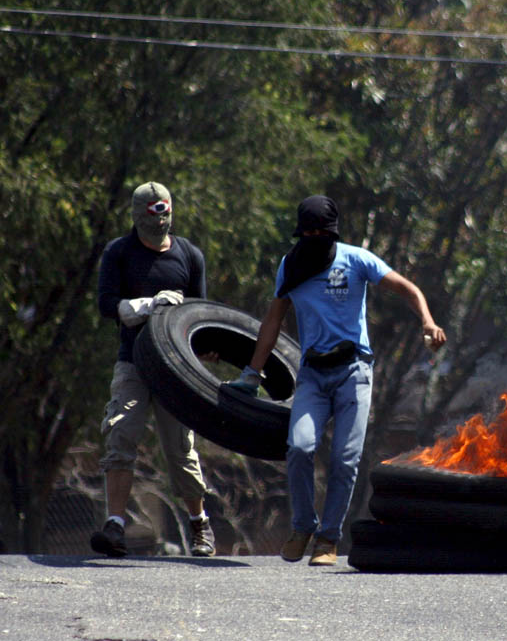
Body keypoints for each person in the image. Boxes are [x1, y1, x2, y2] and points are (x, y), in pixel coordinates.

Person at [228, 194, 446, 566]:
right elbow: (272, 322)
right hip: (312, 373)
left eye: (319, 231)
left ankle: (328, 538)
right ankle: (303, 527)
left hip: (353, 372)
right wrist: (252, 372)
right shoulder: (291, 266)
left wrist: (427, 320)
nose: (313, 237)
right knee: (299, 447)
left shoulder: (356, 258)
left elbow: (408, 288)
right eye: (306, 232)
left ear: (331, 232)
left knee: (346, 459)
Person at [90, 181, 216, 558]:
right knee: (121, 435)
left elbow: (201, 311)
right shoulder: (119, 253)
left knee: (180, 448)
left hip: (176, 369)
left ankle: (199, 525)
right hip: (133, 361)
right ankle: (115, 525)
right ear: (136, 218)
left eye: (163, 218)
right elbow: (106, 304)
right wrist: (146, 306)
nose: (157, 229)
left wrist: (205, 351)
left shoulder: (189, 255)